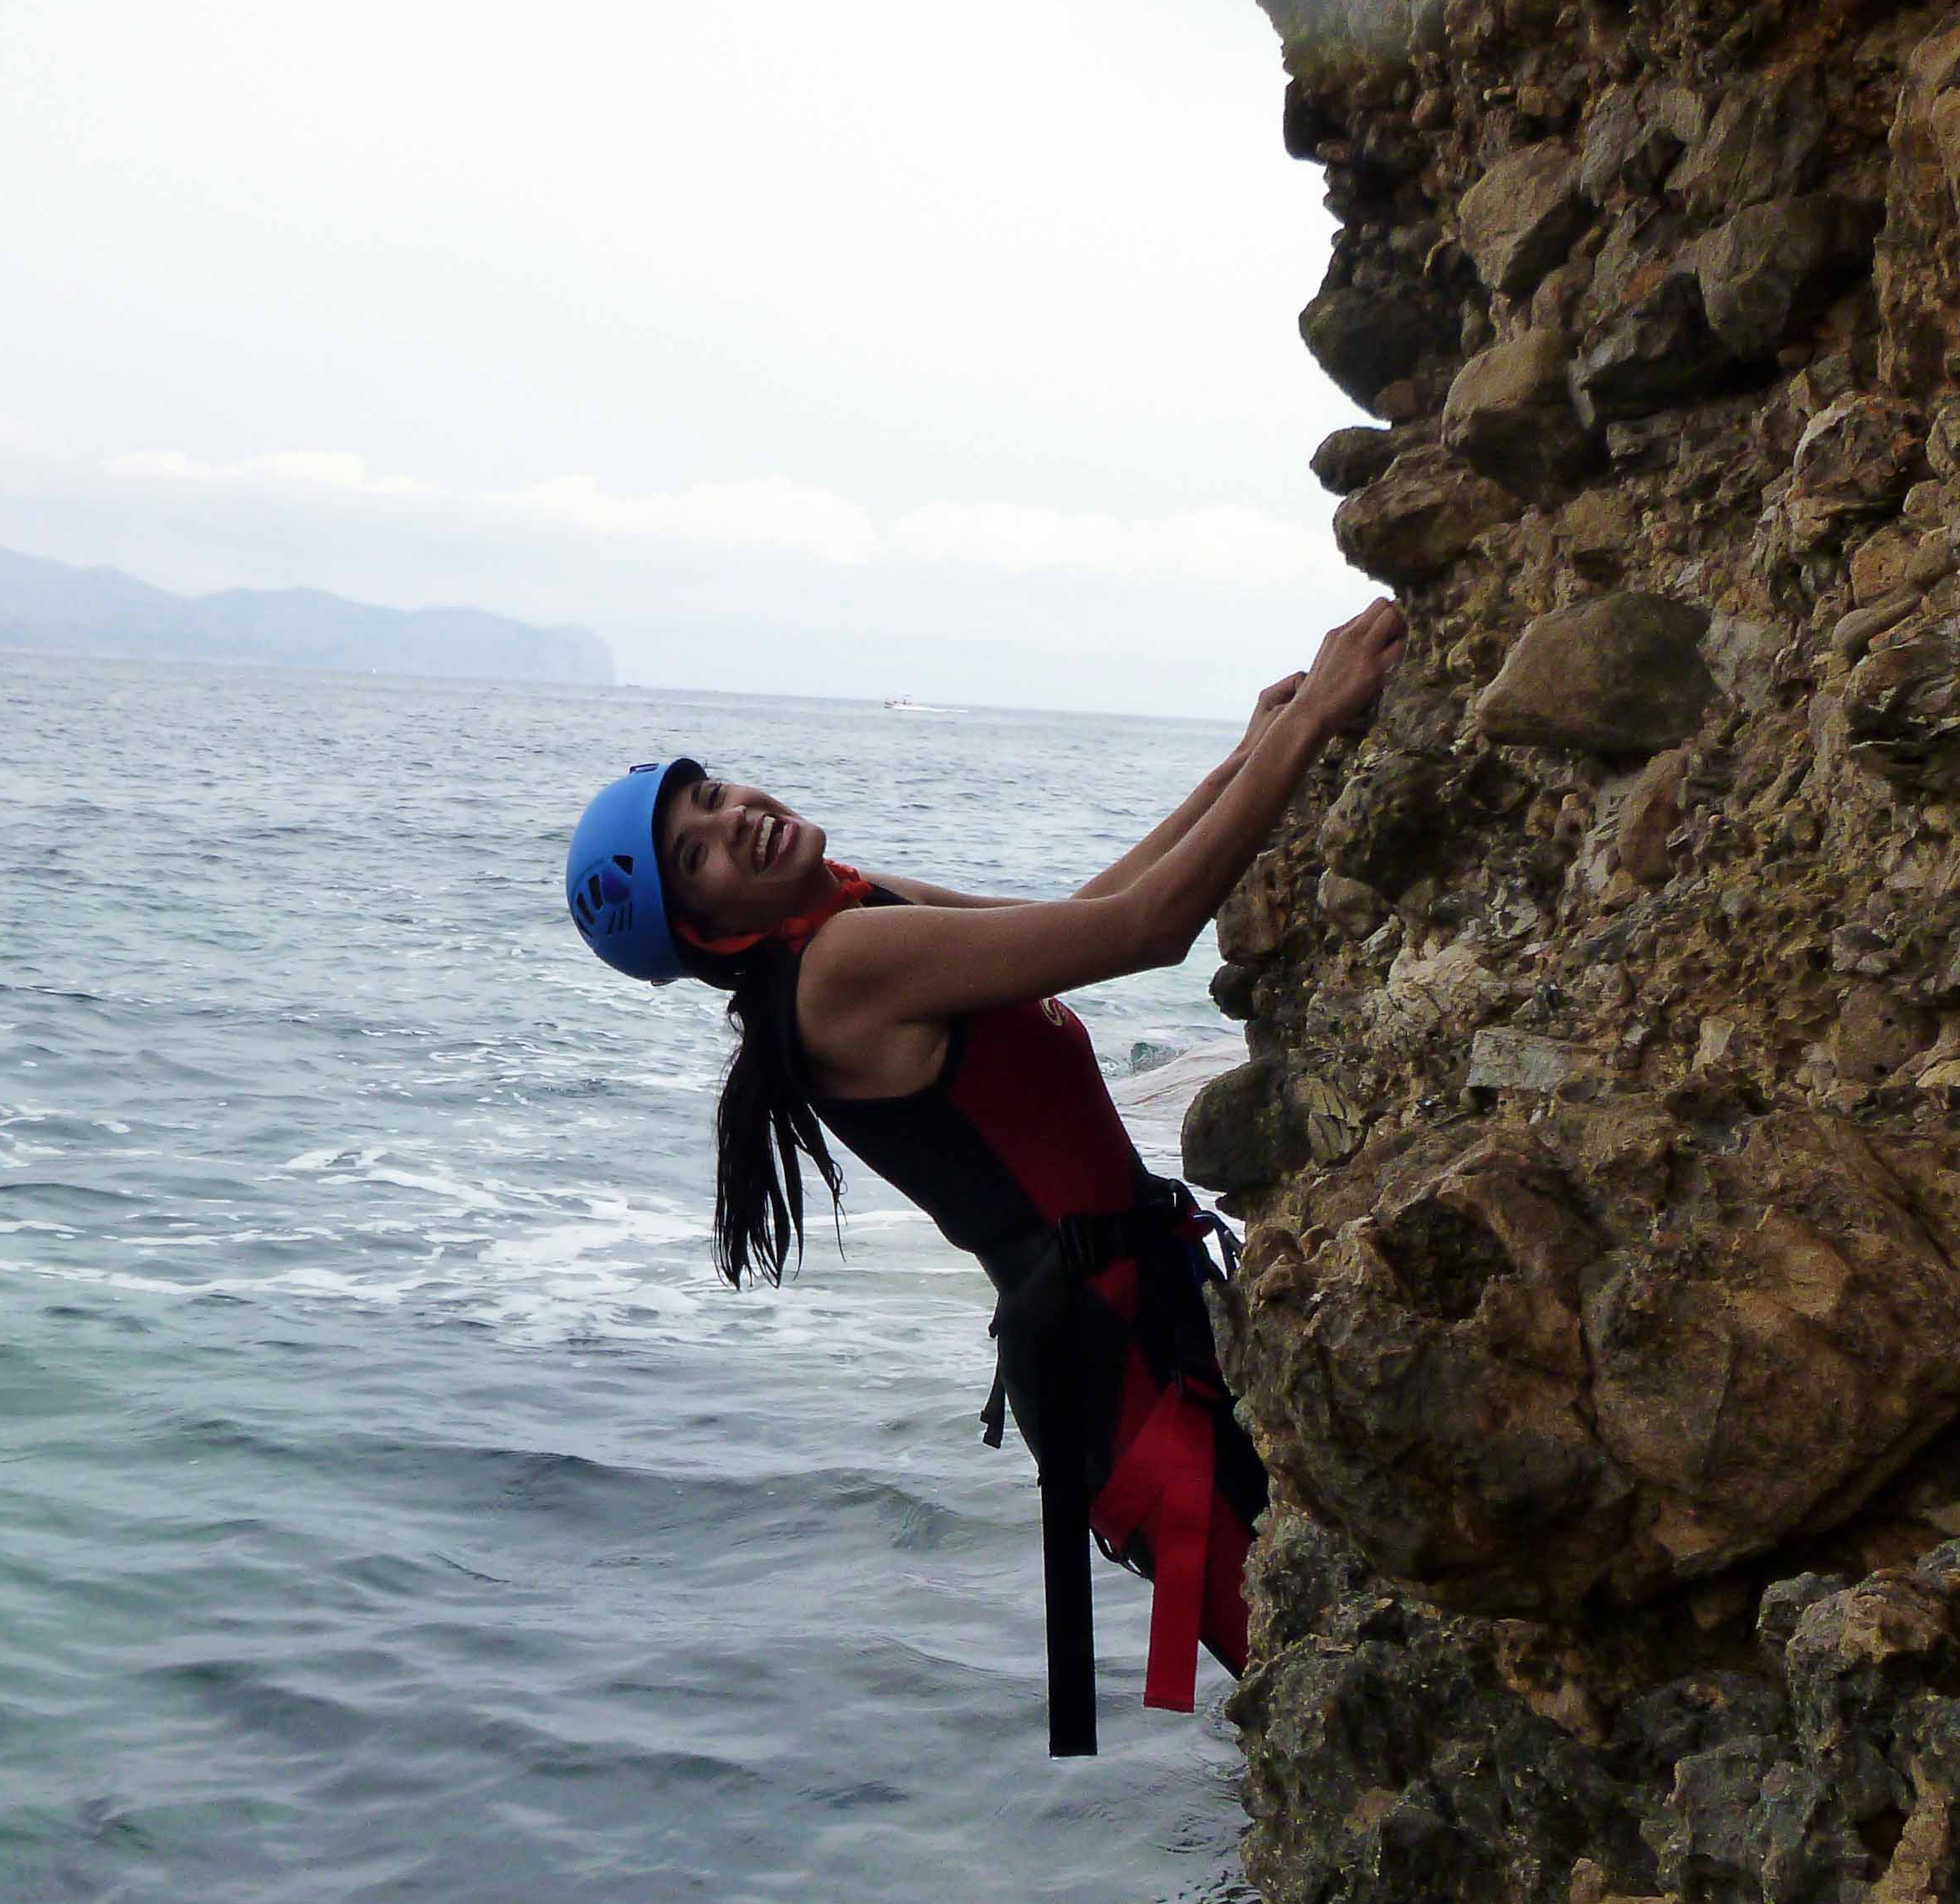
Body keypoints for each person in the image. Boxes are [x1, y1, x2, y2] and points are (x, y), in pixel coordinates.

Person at [560, 600, 1408, 1753]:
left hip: (1133, 1330)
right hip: (1124, 1370)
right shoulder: (843, 966)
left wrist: (1243, 759)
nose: (732, 820)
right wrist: (1312, 720)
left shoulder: (847, 910)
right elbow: (1150, 930)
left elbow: (1081, 915)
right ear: (707, 933)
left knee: (1343, 1653)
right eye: (695, 854)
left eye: (709, 797)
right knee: (1338, 1693)